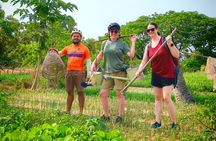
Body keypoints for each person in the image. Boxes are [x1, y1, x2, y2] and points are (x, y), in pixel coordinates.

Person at [135, 22, 179, 129]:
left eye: (152, 29)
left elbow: (177, 55)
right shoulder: (148, 46)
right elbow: (145, 60)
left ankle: (174, 124)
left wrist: (170, 43)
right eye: (148, 30)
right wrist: (139, 70)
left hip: (168, 73)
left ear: (157, 29)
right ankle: (158, 123)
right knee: (158, 98)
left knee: (167, 98)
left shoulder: (165, 41)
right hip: (156, 74)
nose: (150, 32)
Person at [91, 22, 136, 123]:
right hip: (107, 72)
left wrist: (133, 42)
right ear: (109, 33)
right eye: (112, 31)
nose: (113, 33)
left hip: (119, 72)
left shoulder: (122, 44)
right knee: (103, 93)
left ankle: (120, 117)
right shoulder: (105, 43)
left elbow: (131, 55)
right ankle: (106, 116)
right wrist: (94, 63)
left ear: (119, 33)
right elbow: (100, 55)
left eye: (116, 31)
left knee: (119, 94)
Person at [58, 28, 91, 114]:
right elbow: (59, 54)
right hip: (69, 72)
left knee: (80, 91)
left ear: (80, 37)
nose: (76, 37)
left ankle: (81, 112)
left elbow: (88, 62)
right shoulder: (68, 47)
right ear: (72, 37)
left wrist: (89, 75)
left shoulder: (85, 49)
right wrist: (53, 52)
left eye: (78, 36)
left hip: (80, 73)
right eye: (74, 36)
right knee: (69, 92)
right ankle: (67, 111)